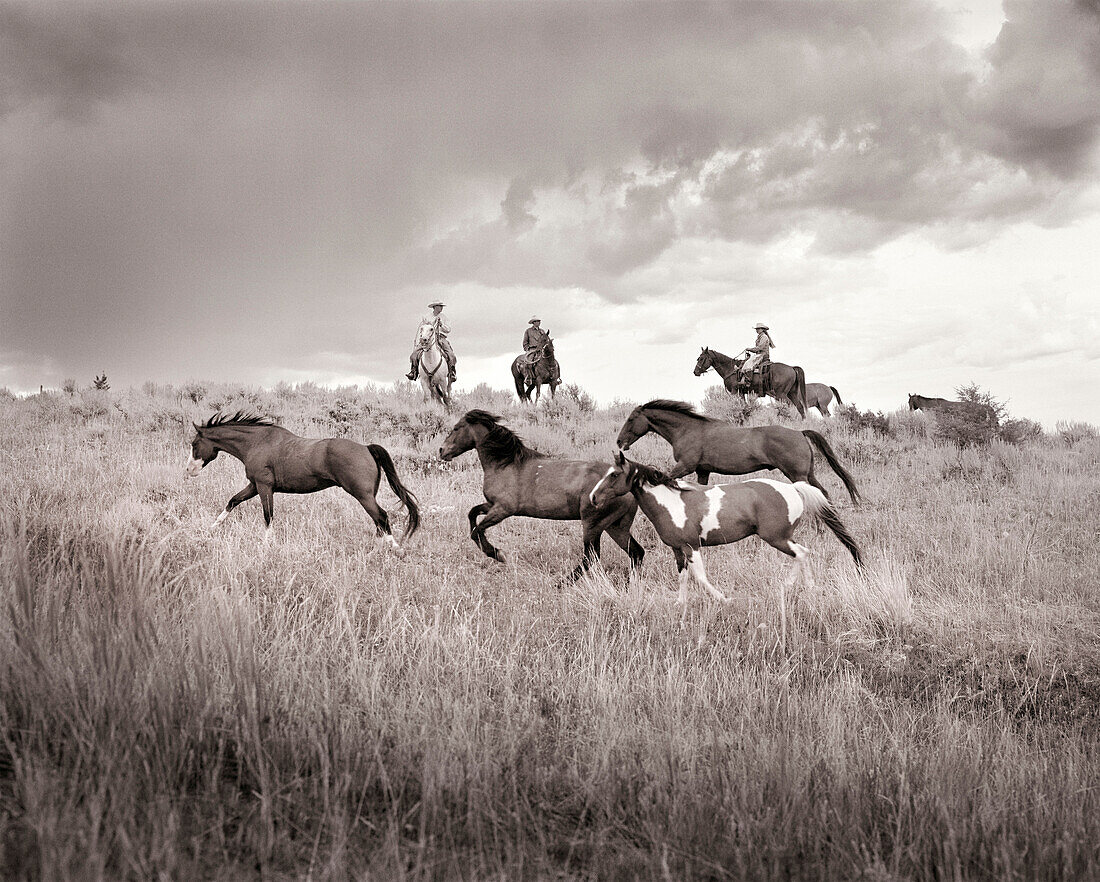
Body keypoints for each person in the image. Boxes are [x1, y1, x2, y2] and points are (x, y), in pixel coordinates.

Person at [406, 301, 456, 383]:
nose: (441, 308)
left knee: (451, 355)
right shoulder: (427, 317)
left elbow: (448, 329)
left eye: (441, 306)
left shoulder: (444, 317)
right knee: (414, 355)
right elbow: (422, 329)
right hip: (427, 339)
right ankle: (413, 371)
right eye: (439, 306)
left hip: (441, 337)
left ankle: (452, 373)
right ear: (434, 307)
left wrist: (441, 325)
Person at [521, 316, 551, 386]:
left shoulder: (542, 331)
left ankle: (555, 377)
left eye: (539, 321)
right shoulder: (528, 331)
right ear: (533, 323)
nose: (539, 322)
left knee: (552, 360)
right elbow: (525, 342)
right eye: (537, 321)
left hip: (541, 350)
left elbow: (547, 340)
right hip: (532, 349)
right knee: (529, 362)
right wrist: (527, 349)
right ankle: (528, 378)